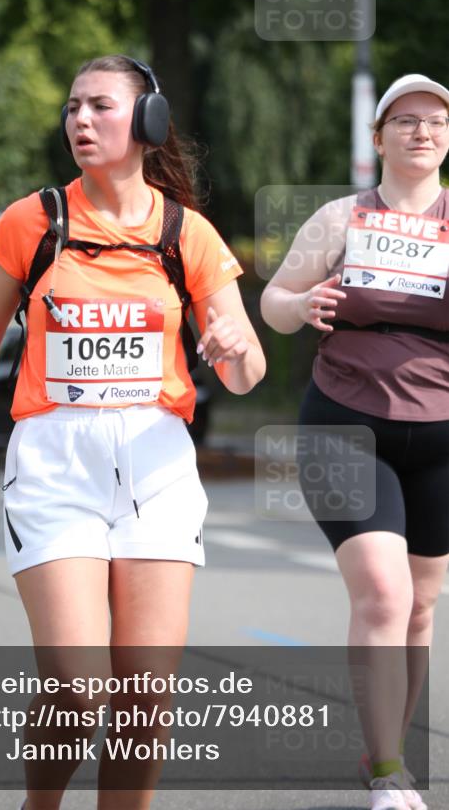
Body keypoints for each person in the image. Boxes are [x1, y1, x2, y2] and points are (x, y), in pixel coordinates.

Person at [0, 54, 266, 810]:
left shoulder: (186, 233)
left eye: (99, 106)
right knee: (78, 688)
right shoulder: (34, 221)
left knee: (145, 699)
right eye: (71, 108)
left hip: (157, 472)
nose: (80, 121)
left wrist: (233, 351)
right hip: (56, 469)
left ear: (148, 122)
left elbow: (245, 368)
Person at [260, 74, 449, 810]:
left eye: (435, 121)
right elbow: (273, 303)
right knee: (381, 590)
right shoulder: (340, 216)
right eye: (404, 120)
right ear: (378, 139)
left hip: (439, 432)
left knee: (419, 607)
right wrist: (301, 302)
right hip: (344, 423)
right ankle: (389, 777)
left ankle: (382, 750)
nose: (421, 131)